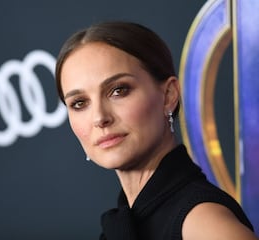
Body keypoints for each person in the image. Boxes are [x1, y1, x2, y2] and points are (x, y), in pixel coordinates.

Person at [55, 21, 257, 240]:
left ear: (169, 95)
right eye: (79, 103)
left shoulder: (202, 222)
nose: (100, 118)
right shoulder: (132, 219)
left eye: (118, 91)